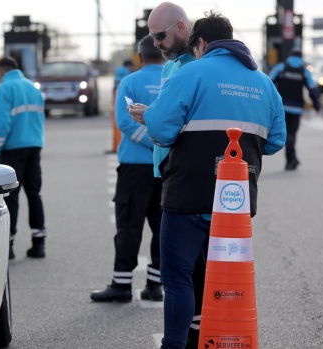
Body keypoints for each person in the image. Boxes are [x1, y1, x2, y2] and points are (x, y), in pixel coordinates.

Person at [129, 10, 286, 349]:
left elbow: (160, 129)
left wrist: (158, 116)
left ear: (200, 43)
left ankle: (174, 344)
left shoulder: (192, 73)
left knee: (177, 276)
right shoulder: (263, 83)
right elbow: (276, 140)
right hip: (237, 202)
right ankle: (219, 337)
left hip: (189, 194)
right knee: (226, 279)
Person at [128, 3, 203, 347]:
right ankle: (193, 333)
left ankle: (183, 340)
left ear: (183, 28)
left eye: (160, 35)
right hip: (169, 170)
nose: (155, 43)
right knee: (190, 268)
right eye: (152, 37)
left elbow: (175, 123)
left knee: (182, 271)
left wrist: (152, 118)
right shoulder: (173, 65)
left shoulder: (192, 69)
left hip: (183, 175)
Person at [90, 35, 165, 303]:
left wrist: (150, 141)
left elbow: (125, 121)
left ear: (140, 58)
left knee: (129, 227)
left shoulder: (130, 82)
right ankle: (155, 284)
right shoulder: (174, 81)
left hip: (135, 169)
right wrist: (162, 144)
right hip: (167, 169)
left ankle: (121, 286)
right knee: (162, 227)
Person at [0, 56, 47, 259]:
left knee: (10, 196)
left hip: (13, 148)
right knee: (34, 194)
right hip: (35, 145)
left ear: (1, 72)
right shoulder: (33, 88)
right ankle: (38, 243)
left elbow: (2, 124)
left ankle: (9, 246)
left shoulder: (4, 89)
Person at [268, 48, 321, 170]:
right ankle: (292, 159)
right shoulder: (304, 71)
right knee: (292, 134)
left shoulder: (281, 67)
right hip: (296, 108)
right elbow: (312, 88)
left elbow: (269, 83)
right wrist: (316, 104)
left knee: (288, 135)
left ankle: (291, 159)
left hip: (282, 108)